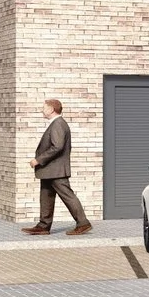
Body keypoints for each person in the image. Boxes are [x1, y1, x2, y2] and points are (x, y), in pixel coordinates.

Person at [24, 97, 92, 236]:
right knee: (46, 196)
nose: (42, 110)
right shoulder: (56, 124)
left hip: (56, 170)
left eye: (44, 107)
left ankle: (83, 223)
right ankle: (43, 226)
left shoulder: (58, 124)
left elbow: (57, 146)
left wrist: (38, 160)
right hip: (50, 170)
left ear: (51, 109)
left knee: (68, 196)